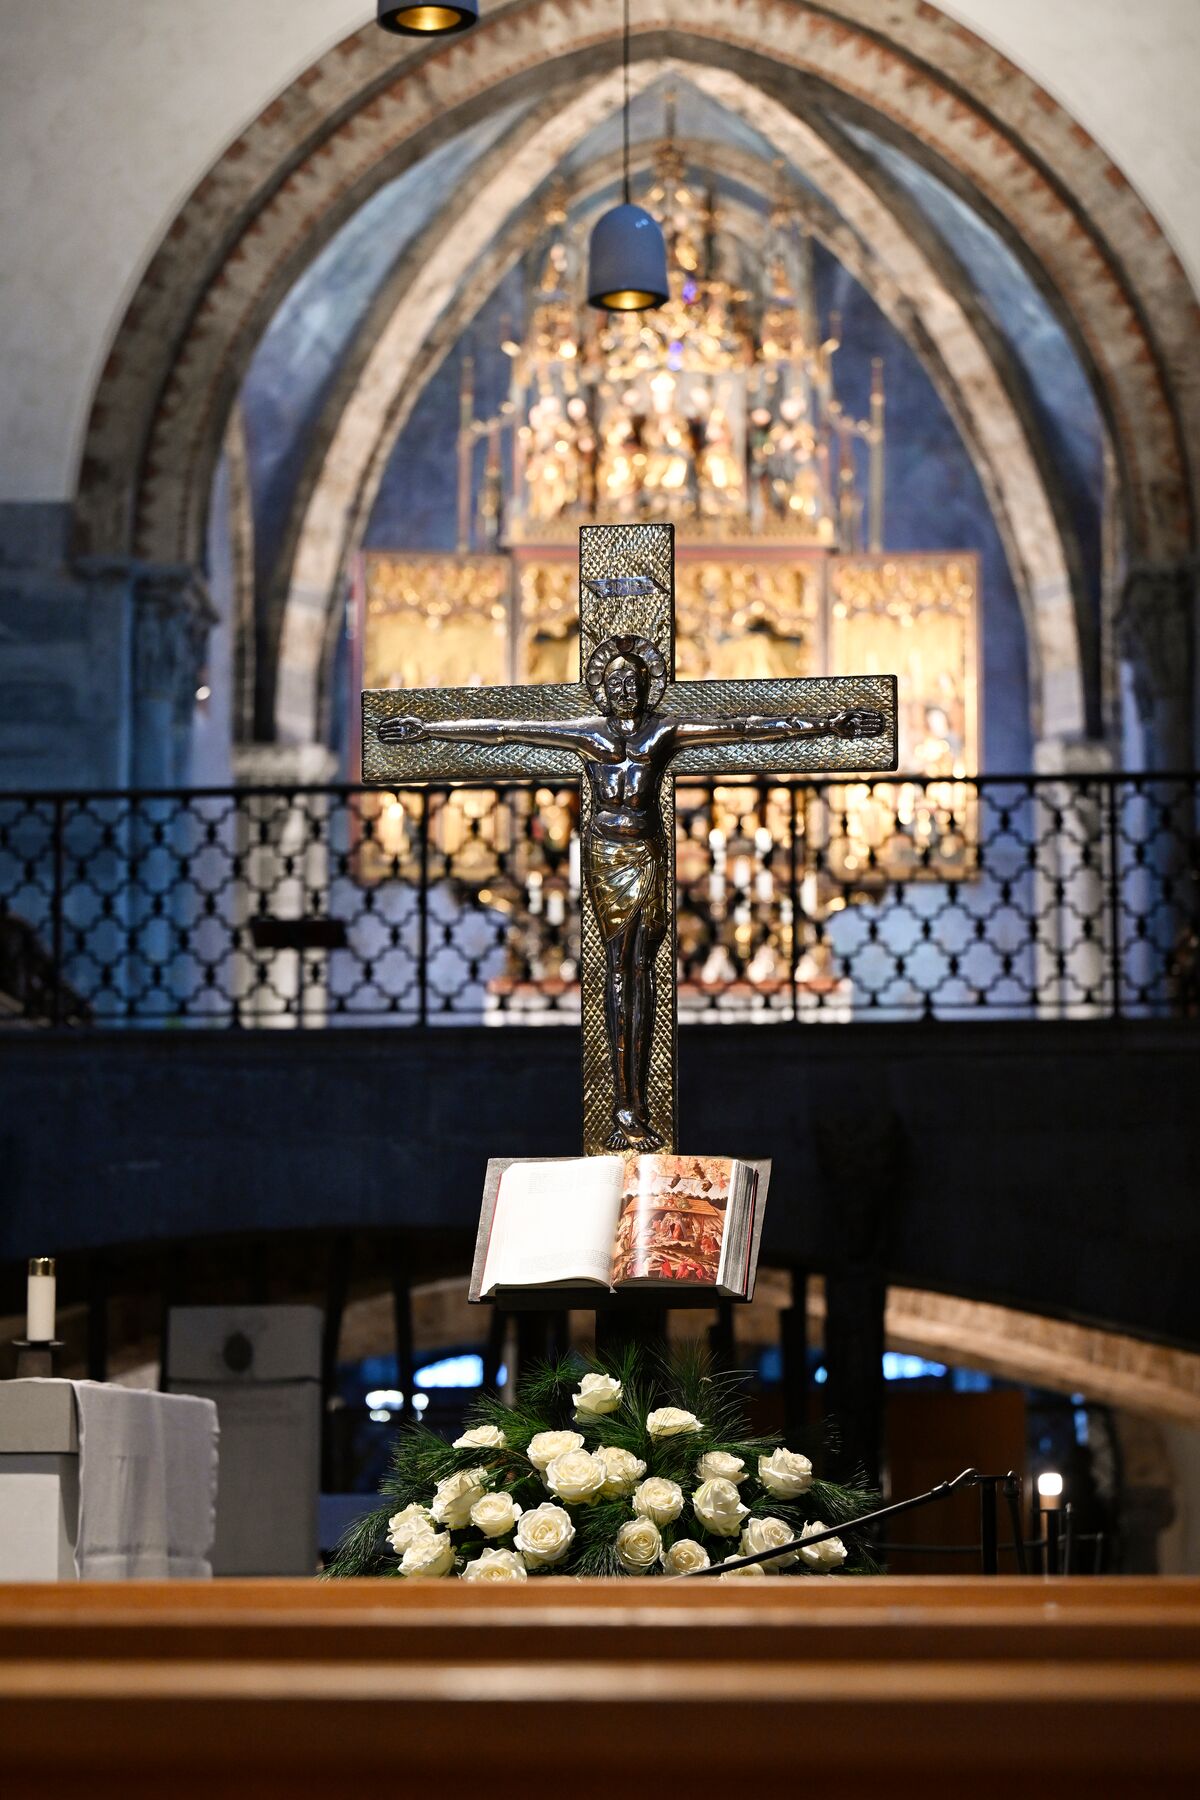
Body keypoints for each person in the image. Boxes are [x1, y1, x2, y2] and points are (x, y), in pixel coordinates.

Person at [378, 634, 883, 1148]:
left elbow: (744, 728)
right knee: (618, 969)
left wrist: (830, 723)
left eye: (633, 681)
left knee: (641, 968)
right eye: (616, 681)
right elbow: (506, 730)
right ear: (602, 688)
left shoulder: (661, 733)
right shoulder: (587, 734)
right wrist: (425, 728)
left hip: (645, 853)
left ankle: (633, 1101)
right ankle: (623, 1102)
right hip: (605, 856)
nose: (624, 689)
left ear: (646, 686)